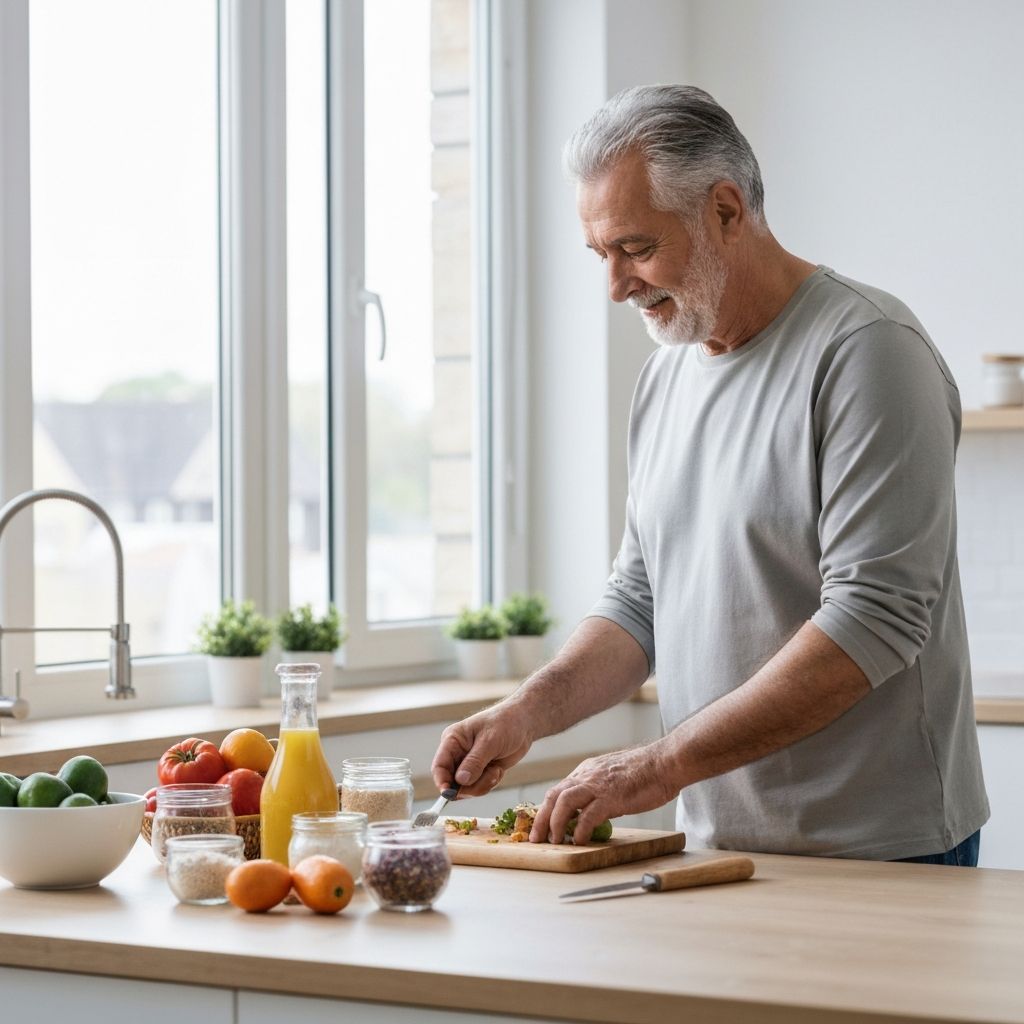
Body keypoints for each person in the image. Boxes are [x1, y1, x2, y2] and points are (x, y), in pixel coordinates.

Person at [430, 85, 989, 864]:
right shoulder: (665, 379)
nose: (617, 286)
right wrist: (526, 713)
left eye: (635, 247)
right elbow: (640, 602)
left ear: (727, 210)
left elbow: (874, 619)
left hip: (883, 849)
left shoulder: (869, 352)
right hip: (717, 847)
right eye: (601, 255)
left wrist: (656, 768)